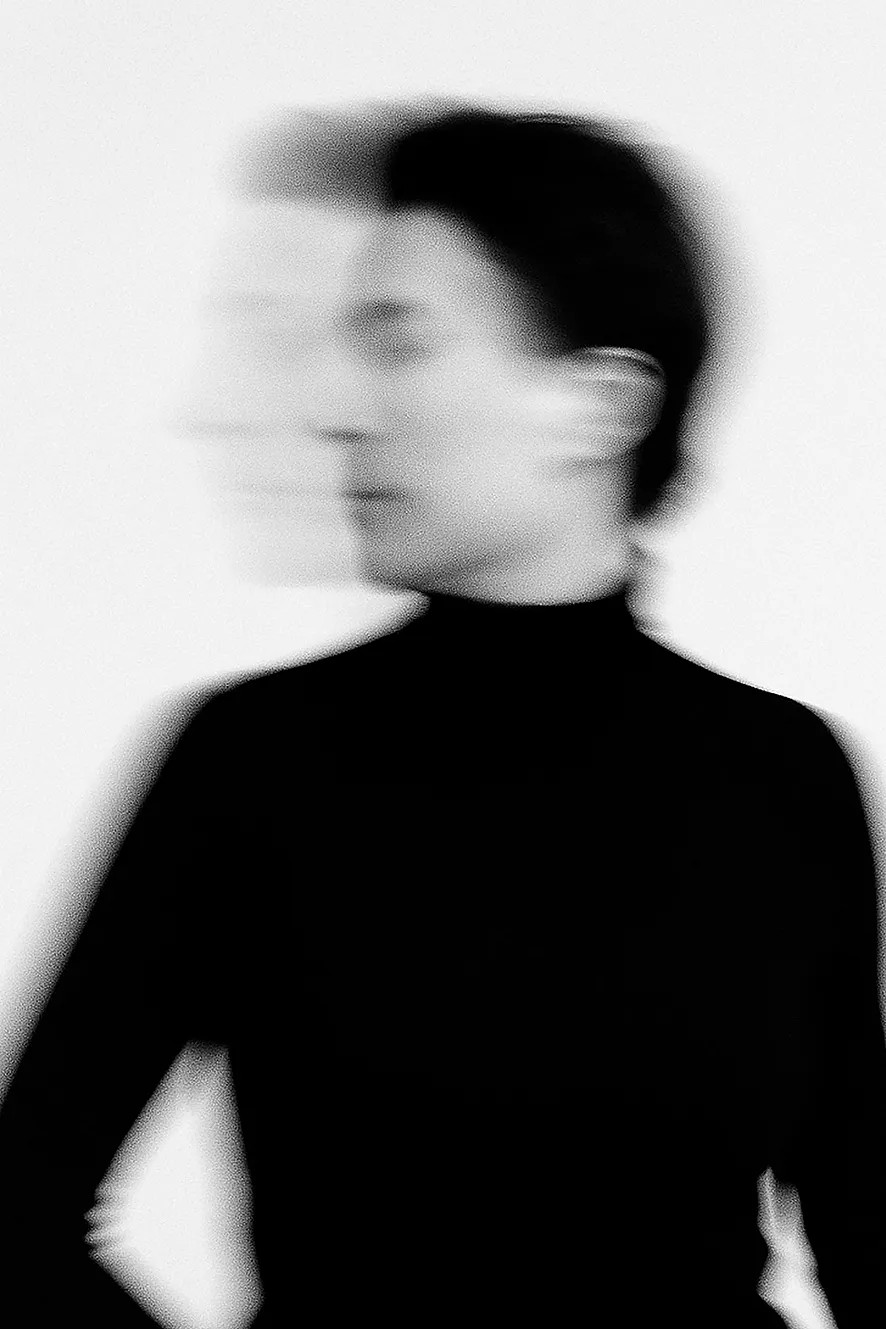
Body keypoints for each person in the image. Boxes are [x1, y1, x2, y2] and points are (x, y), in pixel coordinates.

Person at [1, 97, 883, 1329]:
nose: (339, 407)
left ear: (603, 403)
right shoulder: (251, 764)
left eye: (399, 341)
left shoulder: (784, 778)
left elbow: (862, 1228)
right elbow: (17, 1215)